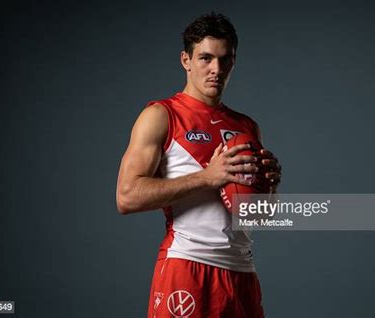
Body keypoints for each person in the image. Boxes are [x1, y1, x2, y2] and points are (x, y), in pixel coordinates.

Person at [116, 12, 281, 318]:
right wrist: (207, 177)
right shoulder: (161, 116)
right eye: (205, 58)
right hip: (187, 266)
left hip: (241, 272)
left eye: (225, 59)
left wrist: (270, 187)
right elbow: (126, 196)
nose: (216, 69)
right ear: (185, 60)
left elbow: (260, 218)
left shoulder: (246, 126)